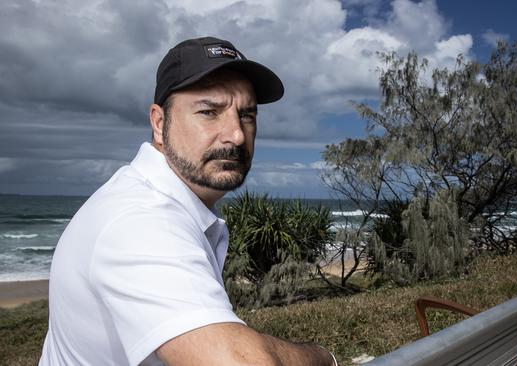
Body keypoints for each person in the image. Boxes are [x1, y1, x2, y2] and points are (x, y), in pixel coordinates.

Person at [39, 37, 337, 366]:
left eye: (247, 115)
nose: (236, 134)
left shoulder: (159, 202)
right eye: (209, 112)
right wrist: (325, 358)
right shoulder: (139, 221)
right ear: (159, 122)